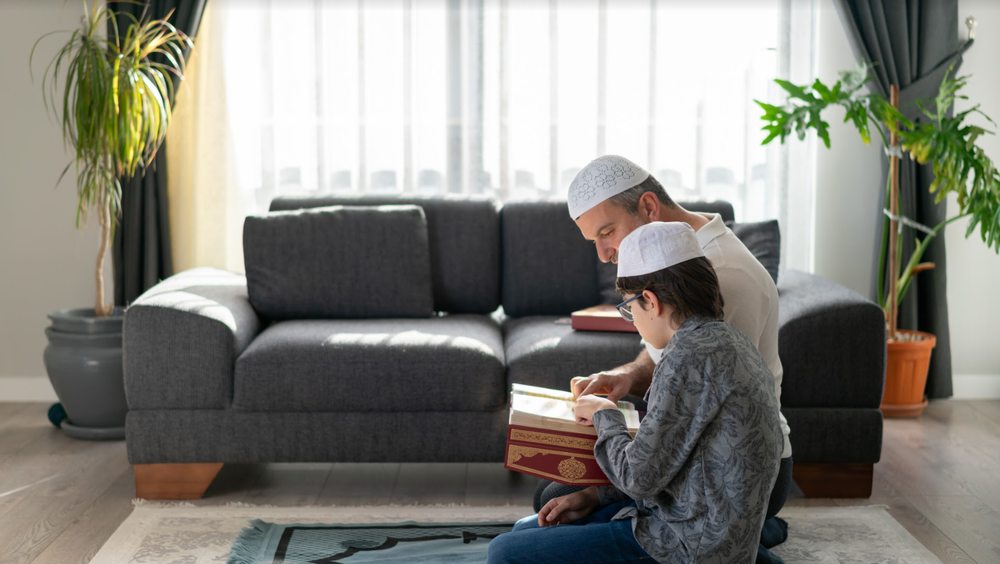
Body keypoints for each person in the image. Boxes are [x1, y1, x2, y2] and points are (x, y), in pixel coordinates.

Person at [536, 155, 794, 560]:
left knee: (557, 497)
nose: (605, 255)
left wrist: (608, 431)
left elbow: (701, 400)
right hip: (691, 438)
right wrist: (625, 376)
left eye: (608, 232)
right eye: (595, 242)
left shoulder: (725, 275)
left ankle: (757, 529)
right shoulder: (679, 261)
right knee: (554, 492)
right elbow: (674, 360)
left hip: (735, 471)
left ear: (649, 208)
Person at [488, 222, 784, 564]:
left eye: (628, 308)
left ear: (651, 301)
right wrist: (597, 496)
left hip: (689, 546)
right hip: (706, 525)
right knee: (527, 530)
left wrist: (604, 414)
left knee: (503, 553)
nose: (632, 320)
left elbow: (638, 477)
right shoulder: (728, 340)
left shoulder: (686, 357)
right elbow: (671, 461)